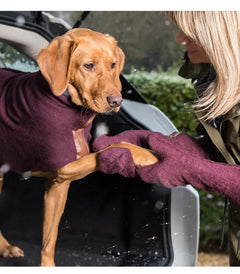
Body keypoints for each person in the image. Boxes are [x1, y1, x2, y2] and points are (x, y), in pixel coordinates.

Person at [92, 11, 240, 266]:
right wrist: (158, 144)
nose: (179, 37)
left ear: (220, 32)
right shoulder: (219, 80)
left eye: (189, 30)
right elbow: (230, 153)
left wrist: (190, 169)